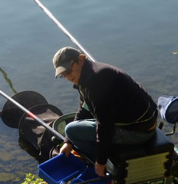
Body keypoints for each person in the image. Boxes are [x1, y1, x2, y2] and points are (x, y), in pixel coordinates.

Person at [53, 47, 157, 177]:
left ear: (81, 59)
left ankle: (108, 168)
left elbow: (105, 123)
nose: (67, 77)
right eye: (63, 75)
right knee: (72, 132)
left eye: (68, 71)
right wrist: (68, 142)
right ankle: (105, 155)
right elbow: (84, 108)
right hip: (143, 122)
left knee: (71, 130)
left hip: (138, 131)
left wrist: (101, 161)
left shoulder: (96, 82)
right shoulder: (88, 74)